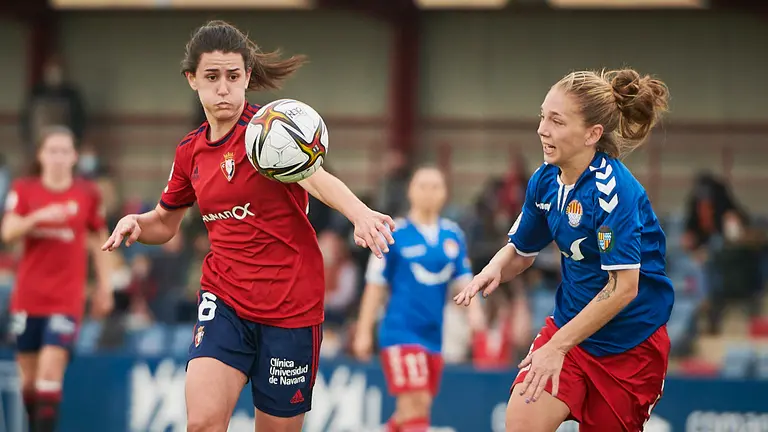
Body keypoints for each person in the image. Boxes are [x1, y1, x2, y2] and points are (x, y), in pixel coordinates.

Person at [101, 20, 395, 432]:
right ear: (192, 80)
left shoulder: (268, 133)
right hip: (225, 300)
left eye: (233, 76)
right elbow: (165, 223)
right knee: (202, 422)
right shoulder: (190, 152)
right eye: (212, 76)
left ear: (247, 78)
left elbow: (316, 177)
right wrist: (137, 222)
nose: (223, 88)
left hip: (291, 307)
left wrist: (359, 213)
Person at [454, 69, 673, 432]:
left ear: (592, 134)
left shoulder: (612, 192)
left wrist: (557, 346)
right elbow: (522, 250)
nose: (542, 129)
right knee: (521, 423)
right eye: (542, 116)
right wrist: (493, 269)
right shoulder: (544, 179)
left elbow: (623, 287)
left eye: (556, 121)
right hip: (569, 331)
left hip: (630, 347)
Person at [354, 166, 484, 432]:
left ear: (445, 193)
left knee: (410, 410)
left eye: (435, 186)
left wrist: (475, 315)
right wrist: (363, 331)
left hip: (434, 336)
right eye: (422, 185)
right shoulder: (393, 233)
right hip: (400, 332)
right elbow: (375, 287)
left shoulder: (453, 235)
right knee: (417, 403)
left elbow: (463, 279)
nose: (429, 192)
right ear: (411, 191)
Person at [1, 126, 113, 432]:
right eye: (52, 150)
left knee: (50, 374)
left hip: (65, 299)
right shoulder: (24, 190)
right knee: (30, 382)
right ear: (40, 155)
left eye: (65, 151)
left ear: (75, 156)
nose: (59, 157)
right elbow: (8, 231)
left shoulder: (87, 193)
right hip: (27, 298)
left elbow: (98, 240)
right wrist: (38, 218)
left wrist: (105, 286)